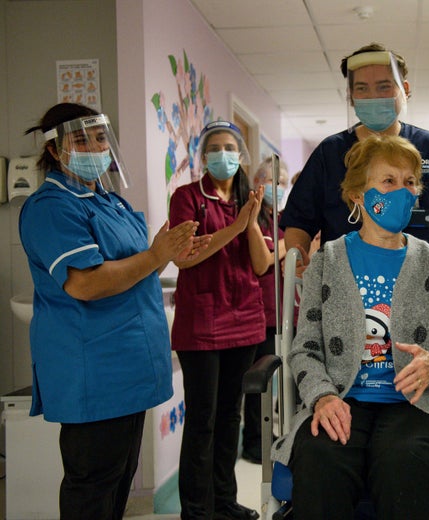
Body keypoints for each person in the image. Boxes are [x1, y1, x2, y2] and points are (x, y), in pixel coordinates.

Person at [270, 135, 429, 519]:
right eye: (388, 181)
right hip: (342, 396)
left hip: (420, 404)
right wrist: (322, 396)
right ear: (358, 194)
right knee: (321, 457)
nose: (402, 192)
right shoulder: (328, 261)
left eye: (409, 182)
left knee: (401, 460)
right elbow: (305, 348)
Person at [18, 102, 209, 520]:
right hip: (94, 371)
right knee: (93, 486)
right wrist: (155, 254)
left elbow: (135, 271)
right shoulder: (51, 206)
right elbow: (85, 283)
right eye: (80, 139)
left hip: (128, 369)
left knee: (118, 479)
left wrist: (166, 253)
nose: (94, 147)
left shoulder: (108, 201)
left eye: (100, 138)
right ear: (54, 149)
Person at [279, 42, 429, 273]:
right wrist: (298, 257)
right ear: (350, 96)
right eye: (362, 88)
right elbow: (299, 221)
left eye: (384, 87)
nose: (373, 97)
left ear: (405, 89)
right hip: (345, 284)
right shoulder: (330, 153)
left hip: (421, 283)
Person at [169, 120, 272, 520]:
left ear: (241, 156)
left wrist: (249, 219)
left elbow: (261, 265)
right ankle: (196, 510)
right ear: (203, 157)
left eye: (231, 147)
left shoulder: (250, 198)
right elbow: (185, 256)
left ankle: (224, 503)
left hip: (244, 320)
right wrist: (237, 223)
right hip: (201, 325)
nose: (223, 154)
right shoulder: (187, 198)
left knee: (231, 416)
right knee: (202, 420)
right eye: (215, 148)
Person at [241, 156, 288, 464]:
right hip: (256, 312)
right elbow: (264, 262)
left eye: (281, 183)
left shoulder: (279, 220)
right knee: (257, 382)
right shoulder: (253, 220)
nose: (277, 187)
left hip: (279, 312)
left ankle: (267, 436)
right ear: (257, 183)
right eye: (271, 181)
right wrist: (287, 248)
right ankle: (254, 443)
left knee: (273, 381)